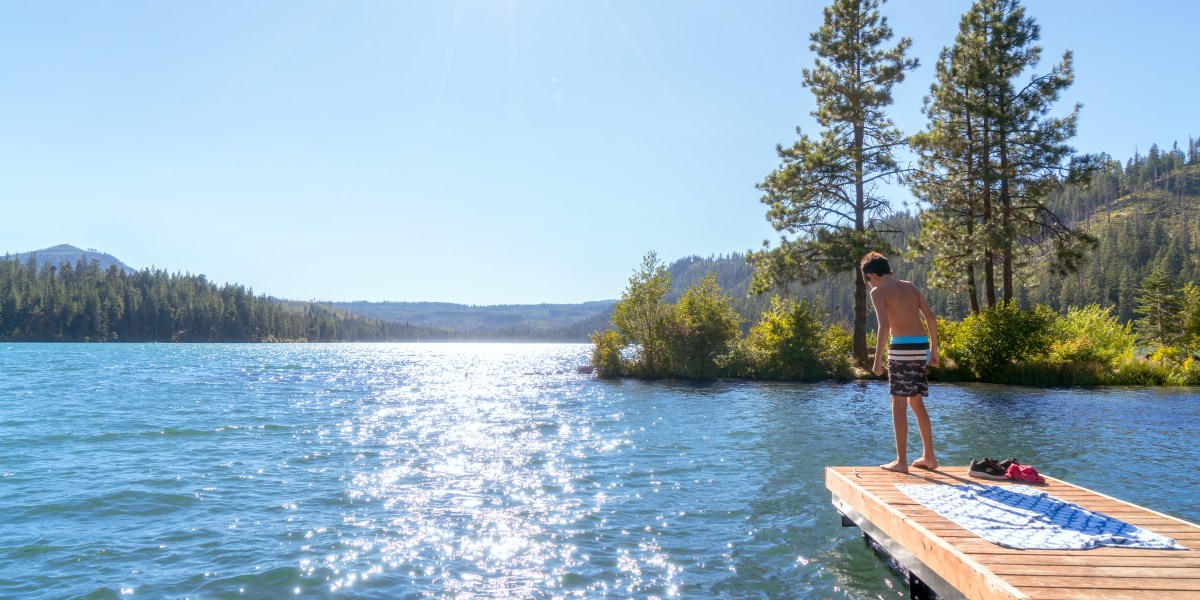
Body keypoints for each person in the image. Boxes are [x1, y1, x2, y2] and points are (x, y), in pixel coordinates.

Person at [861, 251, 939, 473]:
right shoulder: (910, 286)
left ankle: (901, 462)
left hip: (902, 349)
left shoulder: (877, 291)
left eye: (867, 281)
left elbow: (884, 326)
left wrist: (877, 361)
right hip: (921, 346)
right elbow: (930, 317)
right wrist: (934, 350)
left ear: (871, 275)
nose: (868, 285)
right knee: (916, 403)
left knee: (898, 405)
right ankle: (929, 456)